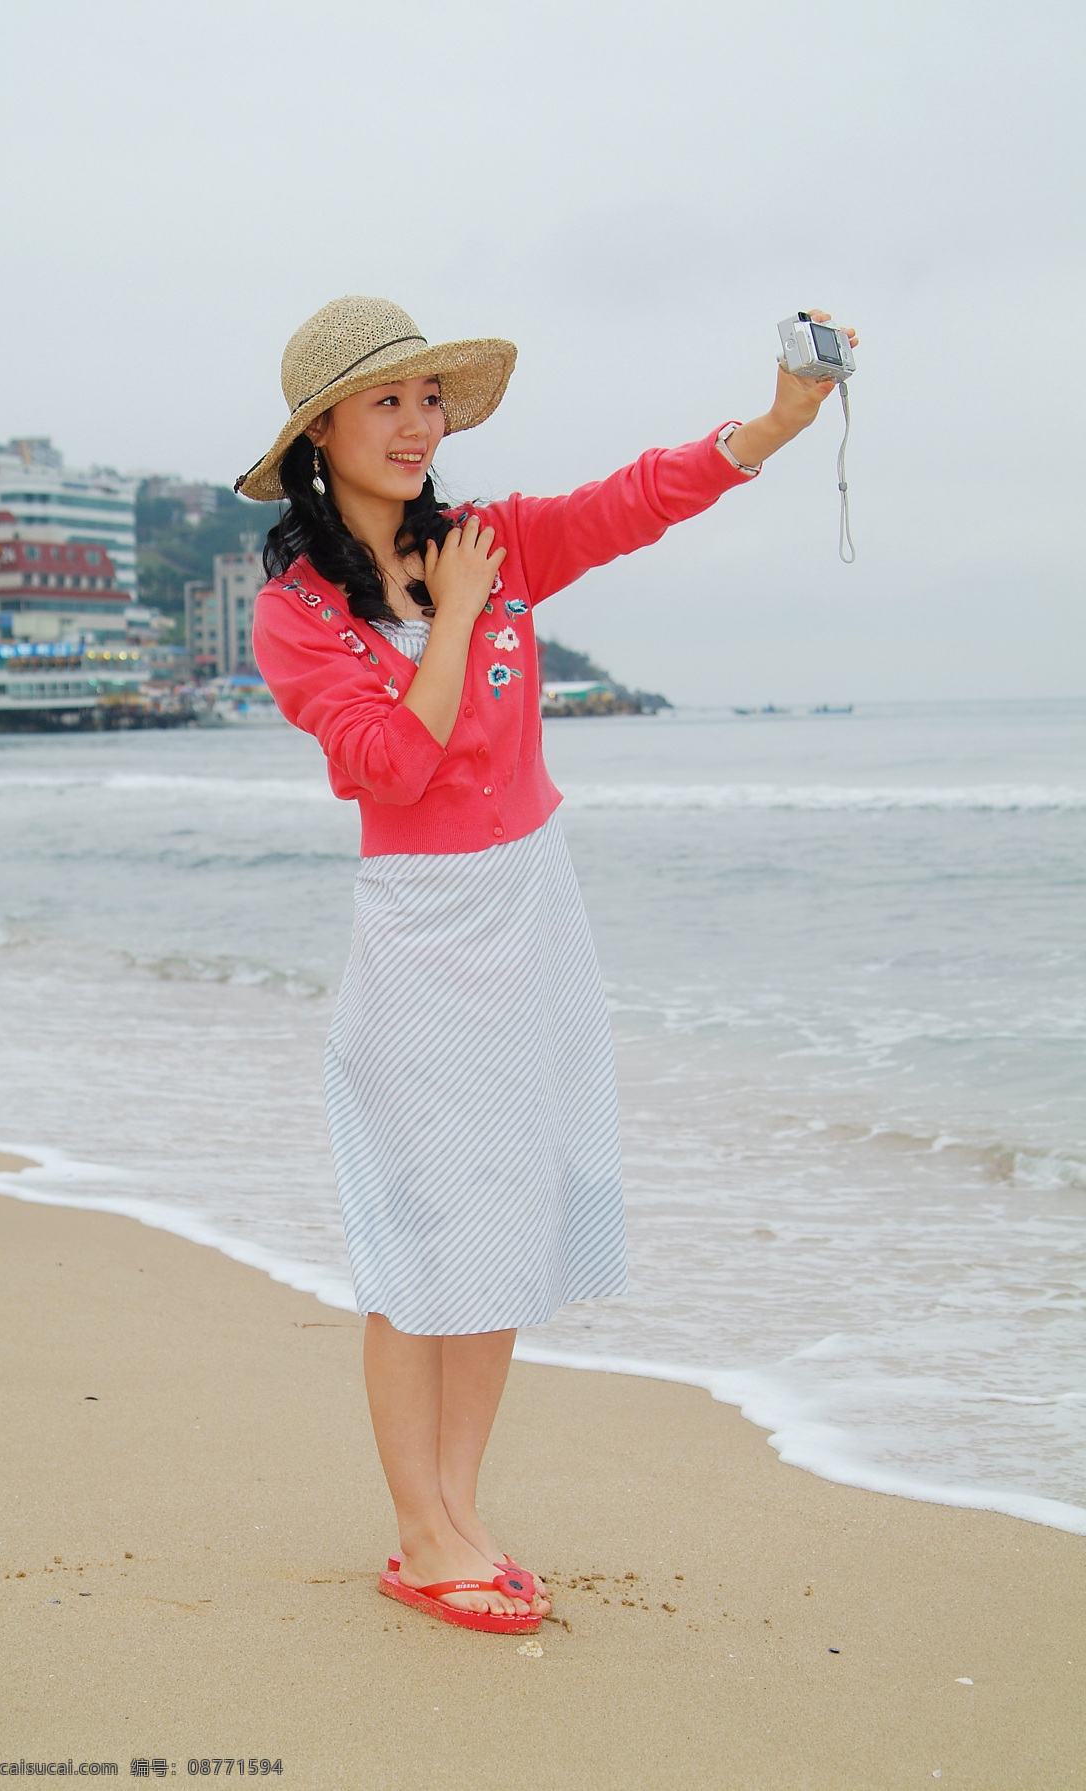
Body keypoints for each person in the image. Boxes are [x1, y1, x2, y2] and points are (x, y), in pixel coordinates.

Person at [243, 295, 856, 1634]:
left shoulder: (496, 539)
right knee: (421, 1237)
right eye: (384, 401)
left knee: (507, 1215)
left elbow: (633, 501)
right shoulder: (296, 615)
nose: (417, 425)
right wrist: (455, 616)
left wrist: (774, 424)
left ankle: (461, 1509)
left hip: (533, 902)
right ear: (322, 430)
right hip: (421, 927)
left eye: (428, 399)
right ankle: (417, 1535)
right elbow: (396, 768)